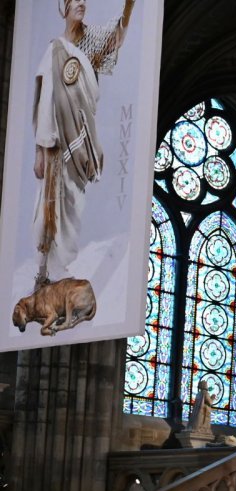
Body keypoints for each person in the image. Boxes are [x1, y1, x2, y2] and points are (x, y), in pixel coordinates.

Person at [32, 0, 136, 286]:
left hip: (80, 137)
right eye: (74, 0)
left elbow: (116, 38)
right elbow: (44, 100)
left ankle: (61, 265)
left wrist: (129, 6)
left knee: (73, 203)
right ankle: (45, 269)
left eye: (83, 0)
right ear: (63, 7)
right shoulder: (54, 49)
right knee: (51, 203)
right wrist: (39, 151)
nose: (81, 4)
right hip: (55, 137)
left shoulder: (92, 40)